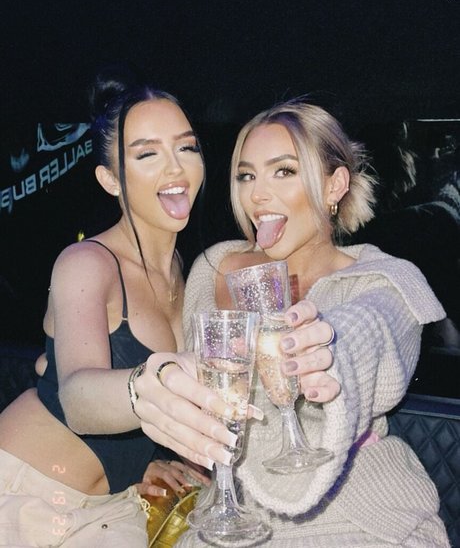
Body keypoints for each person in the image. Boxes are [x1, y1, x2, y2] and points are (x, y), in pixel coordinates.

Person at [0, 73, 339, 547]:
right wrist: (150, 383)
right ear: (111, 179)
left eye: (186, 147)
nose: (175, 167)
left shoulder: (194, 273)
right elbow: (75, 395)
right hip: (23, 489)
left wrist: (144, 458)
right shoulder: (86, 263)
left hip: (112, 507)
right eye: (147, 154)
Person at [176, 99, 450, 546]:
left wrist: (329, 348)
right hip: (232, 511)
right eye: (246, 176)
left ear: (334, 185)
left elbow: (371, 330)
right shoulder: (214, 269)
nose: (257, 195)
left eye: (283, 171)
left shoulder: (384, 280)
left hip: (356, 506)